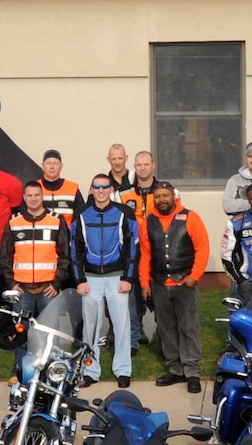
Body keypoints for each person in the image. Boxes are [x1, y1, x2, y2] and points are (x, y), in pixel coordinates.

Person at [0, 181, 74, 375]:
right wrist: (12, 284)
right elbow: (4, 256)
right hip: (22, 290)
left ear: (42, 196)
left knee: (51, 332)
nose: (33, 199)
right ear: (24, 197)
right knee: (21, 332)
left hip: (48, 288)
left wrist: (56, 283)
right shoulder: (14, 222)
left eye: (37, 195)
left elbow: (65, 255)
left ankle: (51, 370)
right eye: (29, 195)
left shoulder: (56, 220)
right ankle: (21, 371)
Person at [70, 173, 140, 389]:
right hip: (90, 279)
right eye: (96, 187)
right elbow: (75, 248)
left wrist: (128, 278)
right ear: (91, 190)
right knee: (90, 327)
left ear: (111, 190)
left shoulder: (125, 213)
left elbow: (133, 248)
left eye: (105, 187)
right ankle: (91, 370)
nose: (101, 190)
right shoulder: (81, 214)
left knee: (121, 325)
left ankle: (123, 370)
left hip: (117, 277)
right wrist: (79, 279)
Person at [140, 181, 209, 395]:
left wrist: (194, 277)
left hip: (184, 283)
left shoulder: (190, 217)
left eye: (165, 195)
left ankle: (192, 372)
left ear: (173, 197)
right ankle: (175, 368)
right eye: (158, 196)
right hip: (159, 284)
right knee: (166, 328)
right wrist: (144, 284)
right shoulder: (148, 222)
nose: (162, 200)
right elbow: (145, 255)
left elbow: (202, 248)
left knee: (188, 328)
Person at [119, 150, 161, 349]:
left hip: (159, 251)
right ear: (134, 167)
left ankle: (163, 339)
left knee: (160, 295)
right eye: (139, 165)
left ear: (154, 166)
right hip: (133, 252)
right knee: (133, 297)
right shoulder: (123, 193)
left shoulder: (165, 191)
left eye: (146, 164)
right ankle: (133, 340)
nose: (143, 168)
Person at [32, 149, 82, 224]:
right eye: (48, 163)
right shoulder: (33, 188)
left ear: (61, 166)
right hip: (40, 234)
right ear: (42, 166)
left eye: (55, 163)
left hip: (66, 234)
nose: (52, 167)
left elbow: (81, 215)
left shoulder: (73, 188)